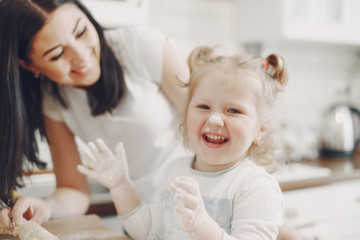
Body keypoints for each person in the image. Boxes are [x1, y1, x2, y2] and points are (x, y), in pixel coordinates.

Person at [0, 0, 190, 230]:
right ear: (29, 65)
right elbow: (74, 191)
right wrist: (45, 206)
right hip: (142, 223)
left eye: (81, 31)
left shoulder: (142, 45)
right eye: (57, 54)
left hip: (202, 209)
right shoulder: (54, 99)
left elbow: (208, 124)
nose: (81, 56)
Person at [78, 46, 289, 239]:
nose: (214, 119)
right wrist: (121, 186)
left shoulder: (256, 187)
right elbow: (150, 234)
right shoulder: (173, 170)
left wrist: (203, 227)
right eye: (203, 106)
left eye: (233, 110)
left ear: (261, 129)